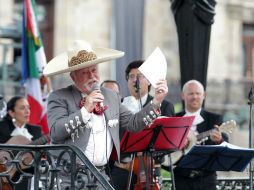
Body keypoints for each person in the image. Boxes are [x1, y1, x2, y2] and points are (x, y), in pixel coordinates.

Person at [44, 40, 169, 189]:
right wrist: (85, 111)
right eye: (84, 72)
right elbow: (55, 133)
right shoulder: (59, 96)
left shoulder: (110, 96)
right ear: (73, 77)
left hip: (100, 175)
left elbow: (133, 123)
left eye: (94, 70)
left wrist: (156, 101)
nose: (92, 76)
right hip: (68, 177)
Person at [109, 60, 175, 190]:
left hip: (149, 172)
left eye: (140, 76)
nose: (135, 80)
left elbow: (167, 144)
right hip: (121, 170)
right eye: (131, 77)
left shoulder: (165, 106)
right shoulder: (118, 105)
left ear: (149, 81)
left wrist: (144, 161)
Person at [173, 80, 228, 190]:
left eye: (198, 93)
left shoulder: (214, 119)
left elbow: (226, 146)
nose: (195, 97)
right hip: (180, 180)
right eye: (191, 93)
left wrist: (219, 140)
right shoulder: (174, 119)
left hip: (206, 180)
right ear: (183, 96)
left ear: (204, 95)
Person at [0, 96, 43, 189]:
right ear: (11, 113)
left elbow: (42, 154)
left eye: (28, 108)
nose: (27, 111)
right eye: (23, 108)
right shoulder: (2, 127)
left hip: (29, 175)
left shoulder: (36, 130)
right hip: (4, 176)